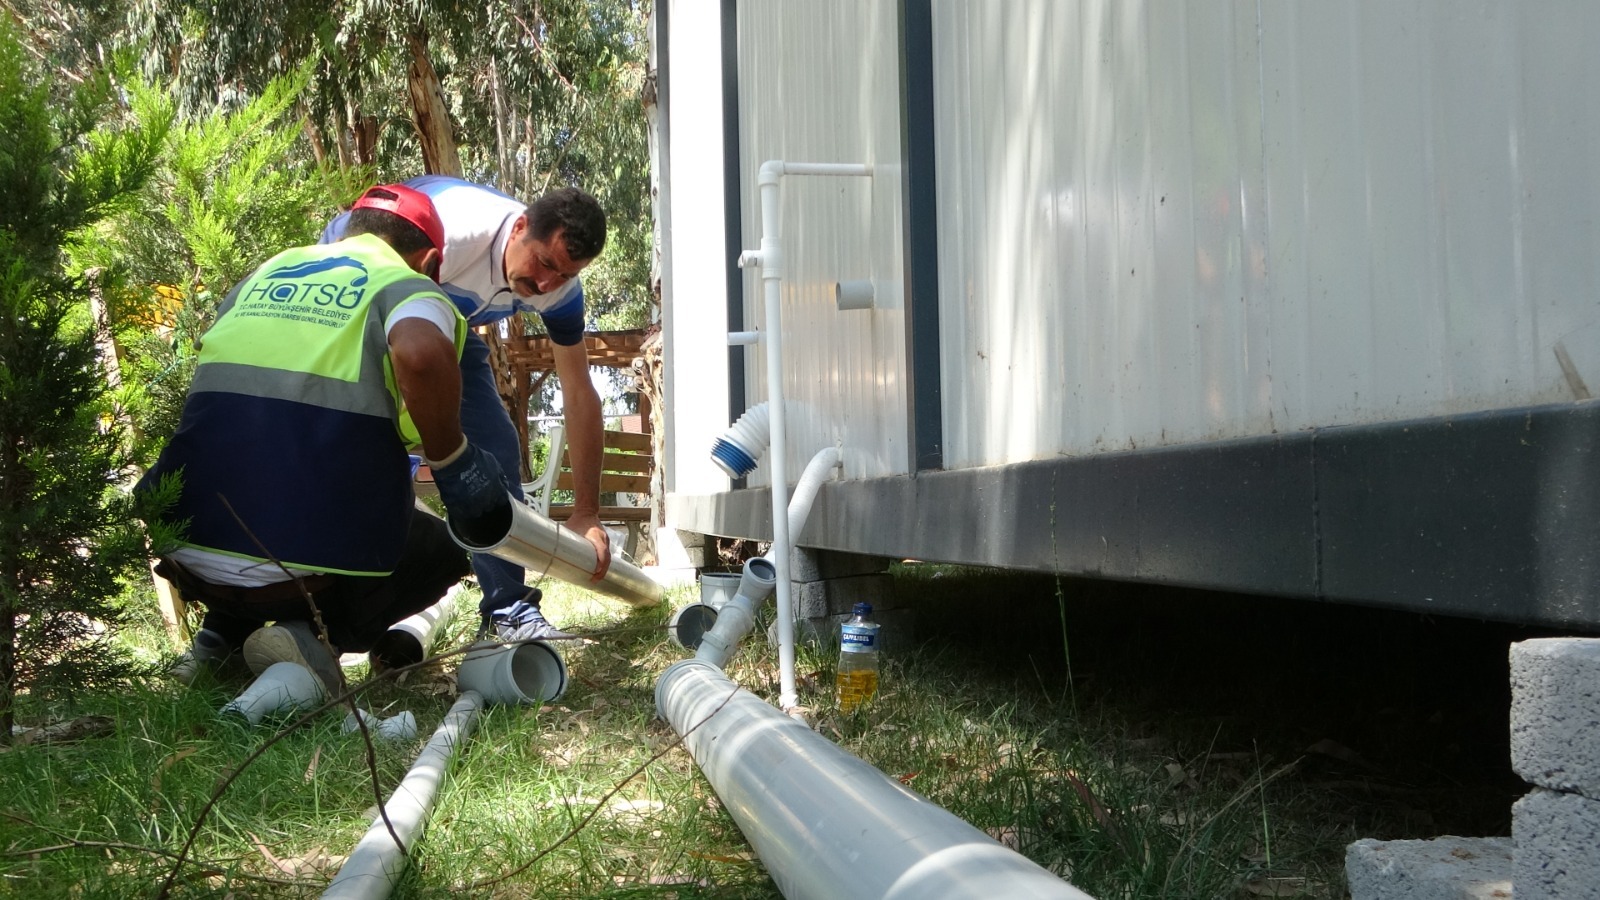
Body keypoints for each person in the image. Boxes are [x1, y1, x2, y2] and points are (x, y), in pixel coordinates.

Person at [141, 184, 513, 693]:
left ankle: (217, 642)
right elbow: (422, 356)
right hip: (296, 576)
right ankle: (312, 637)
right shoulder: (405, 287)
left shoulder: (267, 273)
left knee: (260, 493)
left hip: (188, 551)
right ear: (428, 261)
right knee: (439, 550)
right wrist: (452, 462)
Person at [321, 176, 612, 643]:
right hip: (359, 300)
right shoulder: (455, 232)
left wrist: (586, 511)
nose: (544, 285)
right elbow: (353, 267)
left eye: (564, 275)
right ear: (519, 228)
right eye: (543, 264)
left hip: (444, 327)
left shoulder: (557, 288)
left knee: (496, 446)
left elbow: (578, 391)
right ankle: (325, 610)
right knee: (368, 445)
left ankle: (509, 609)